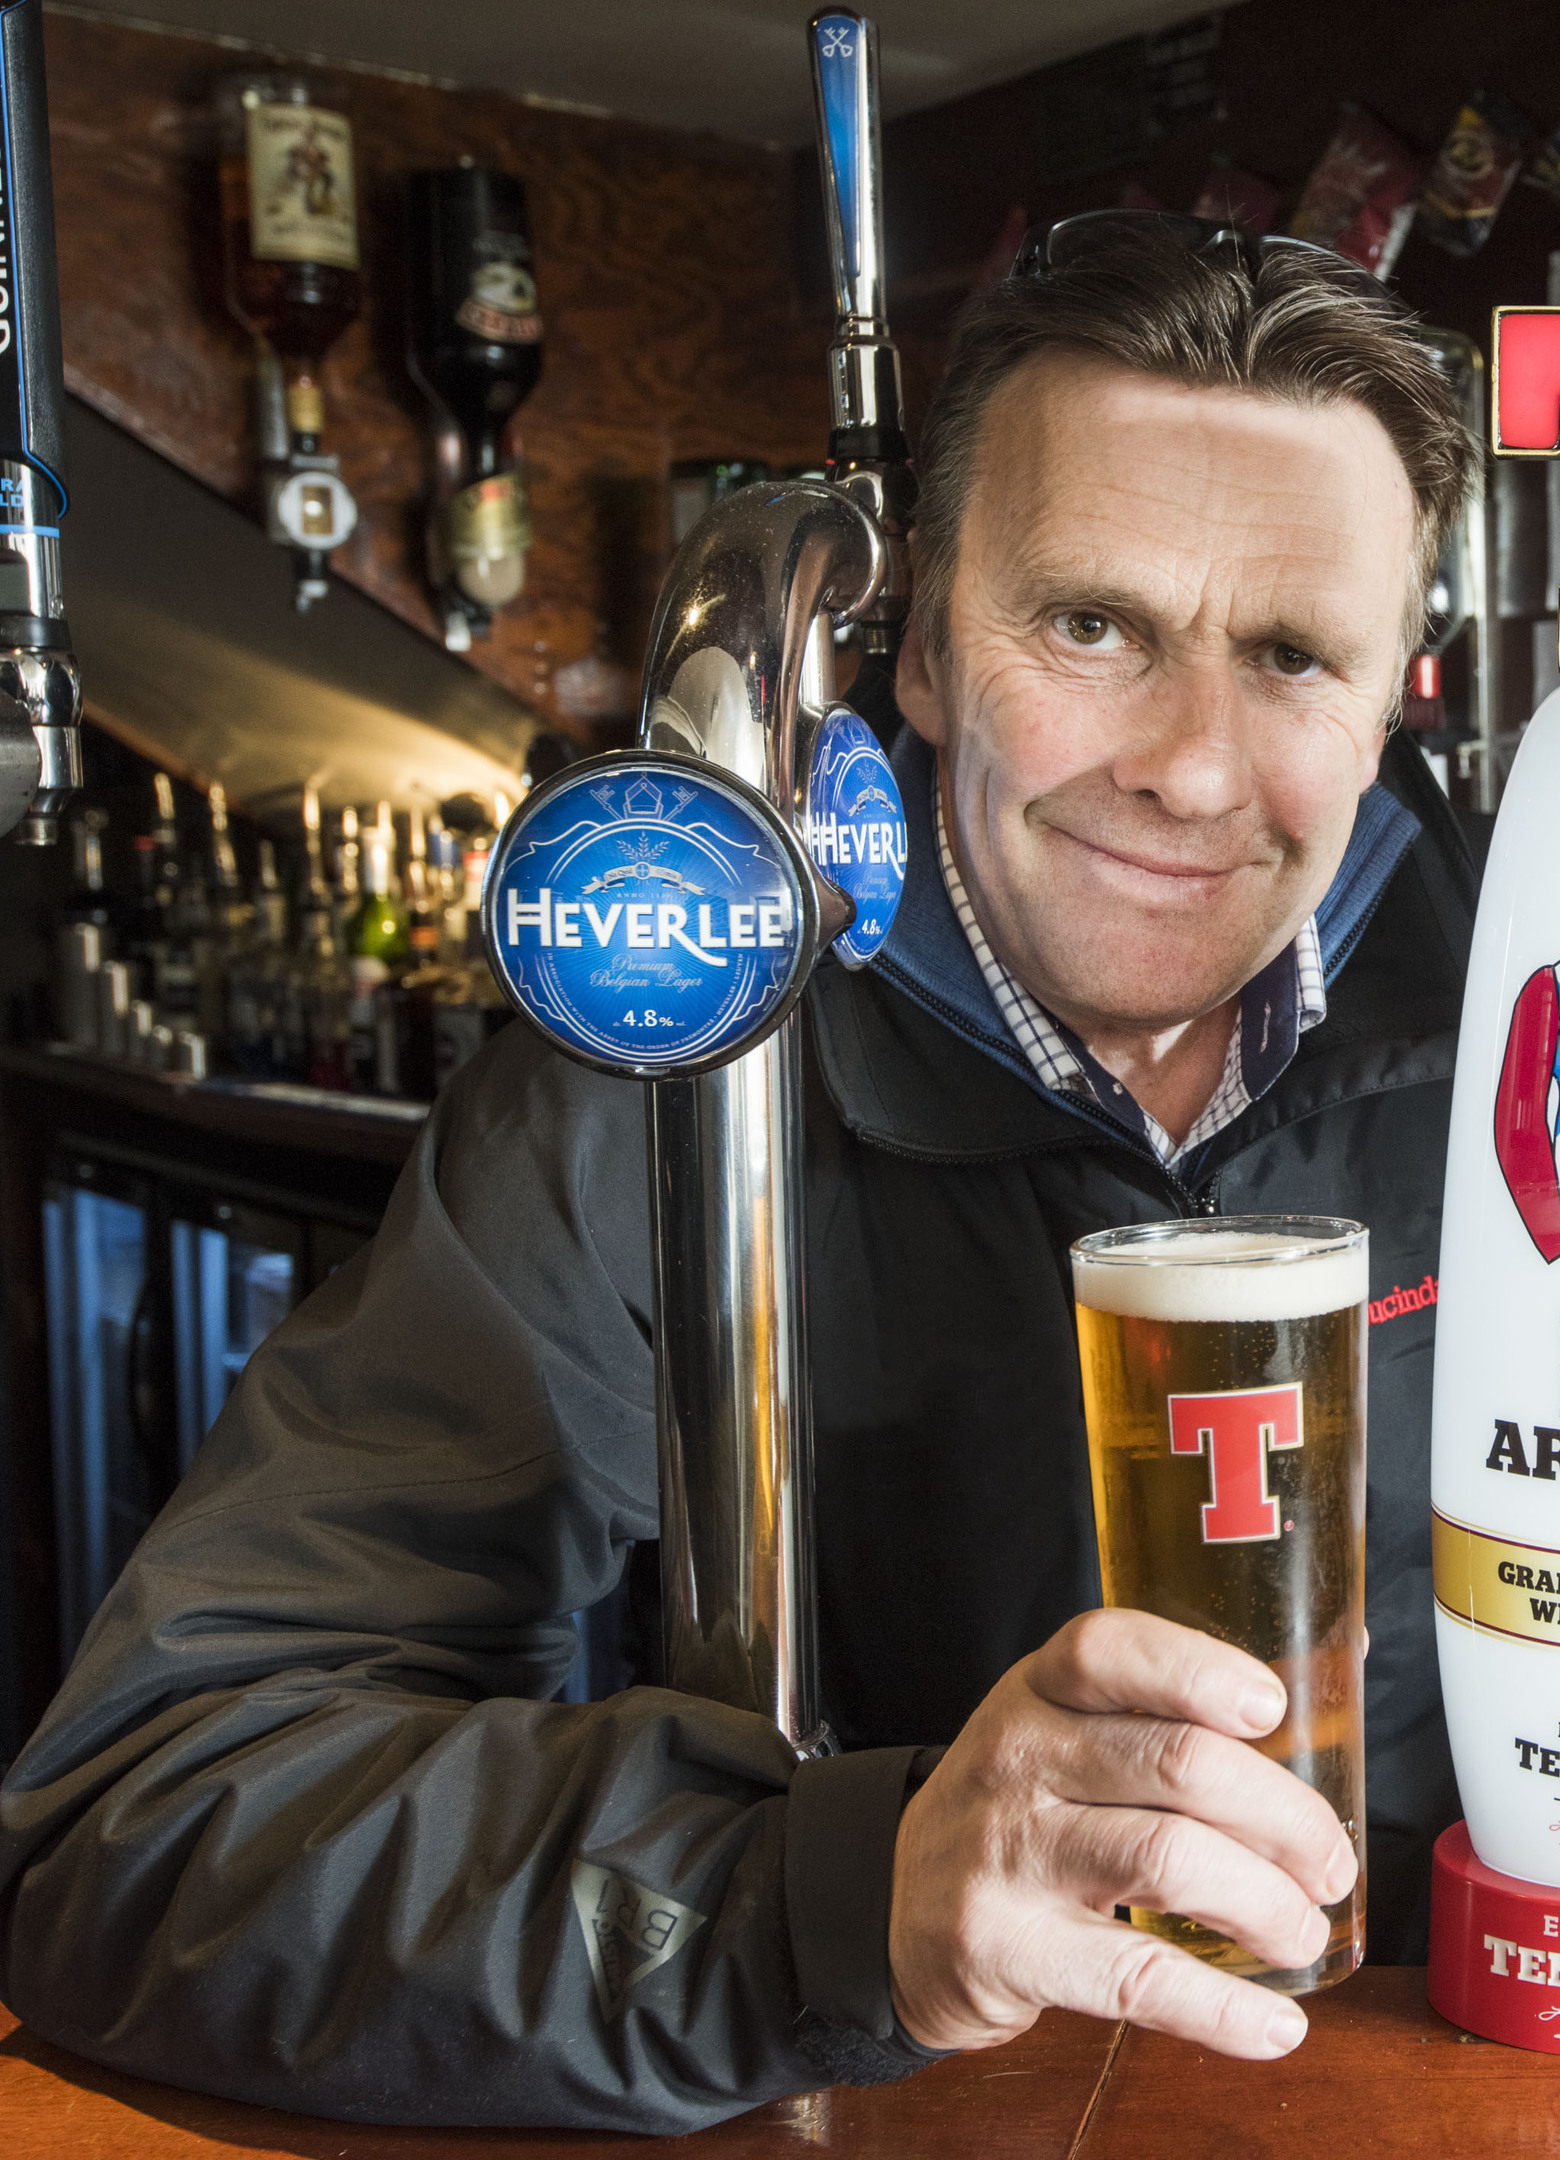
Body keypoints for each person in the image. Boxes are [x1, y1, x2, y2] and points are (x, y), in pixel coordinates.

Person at [1, 217, 1480, 2129]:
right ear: (928, 646)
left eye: (1292, 656)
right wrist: (836, 1898)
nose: (1194, 770)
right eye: (1094, 626)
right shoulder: (665, 1087)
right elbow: (146, 1826)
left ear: (1395, 694)